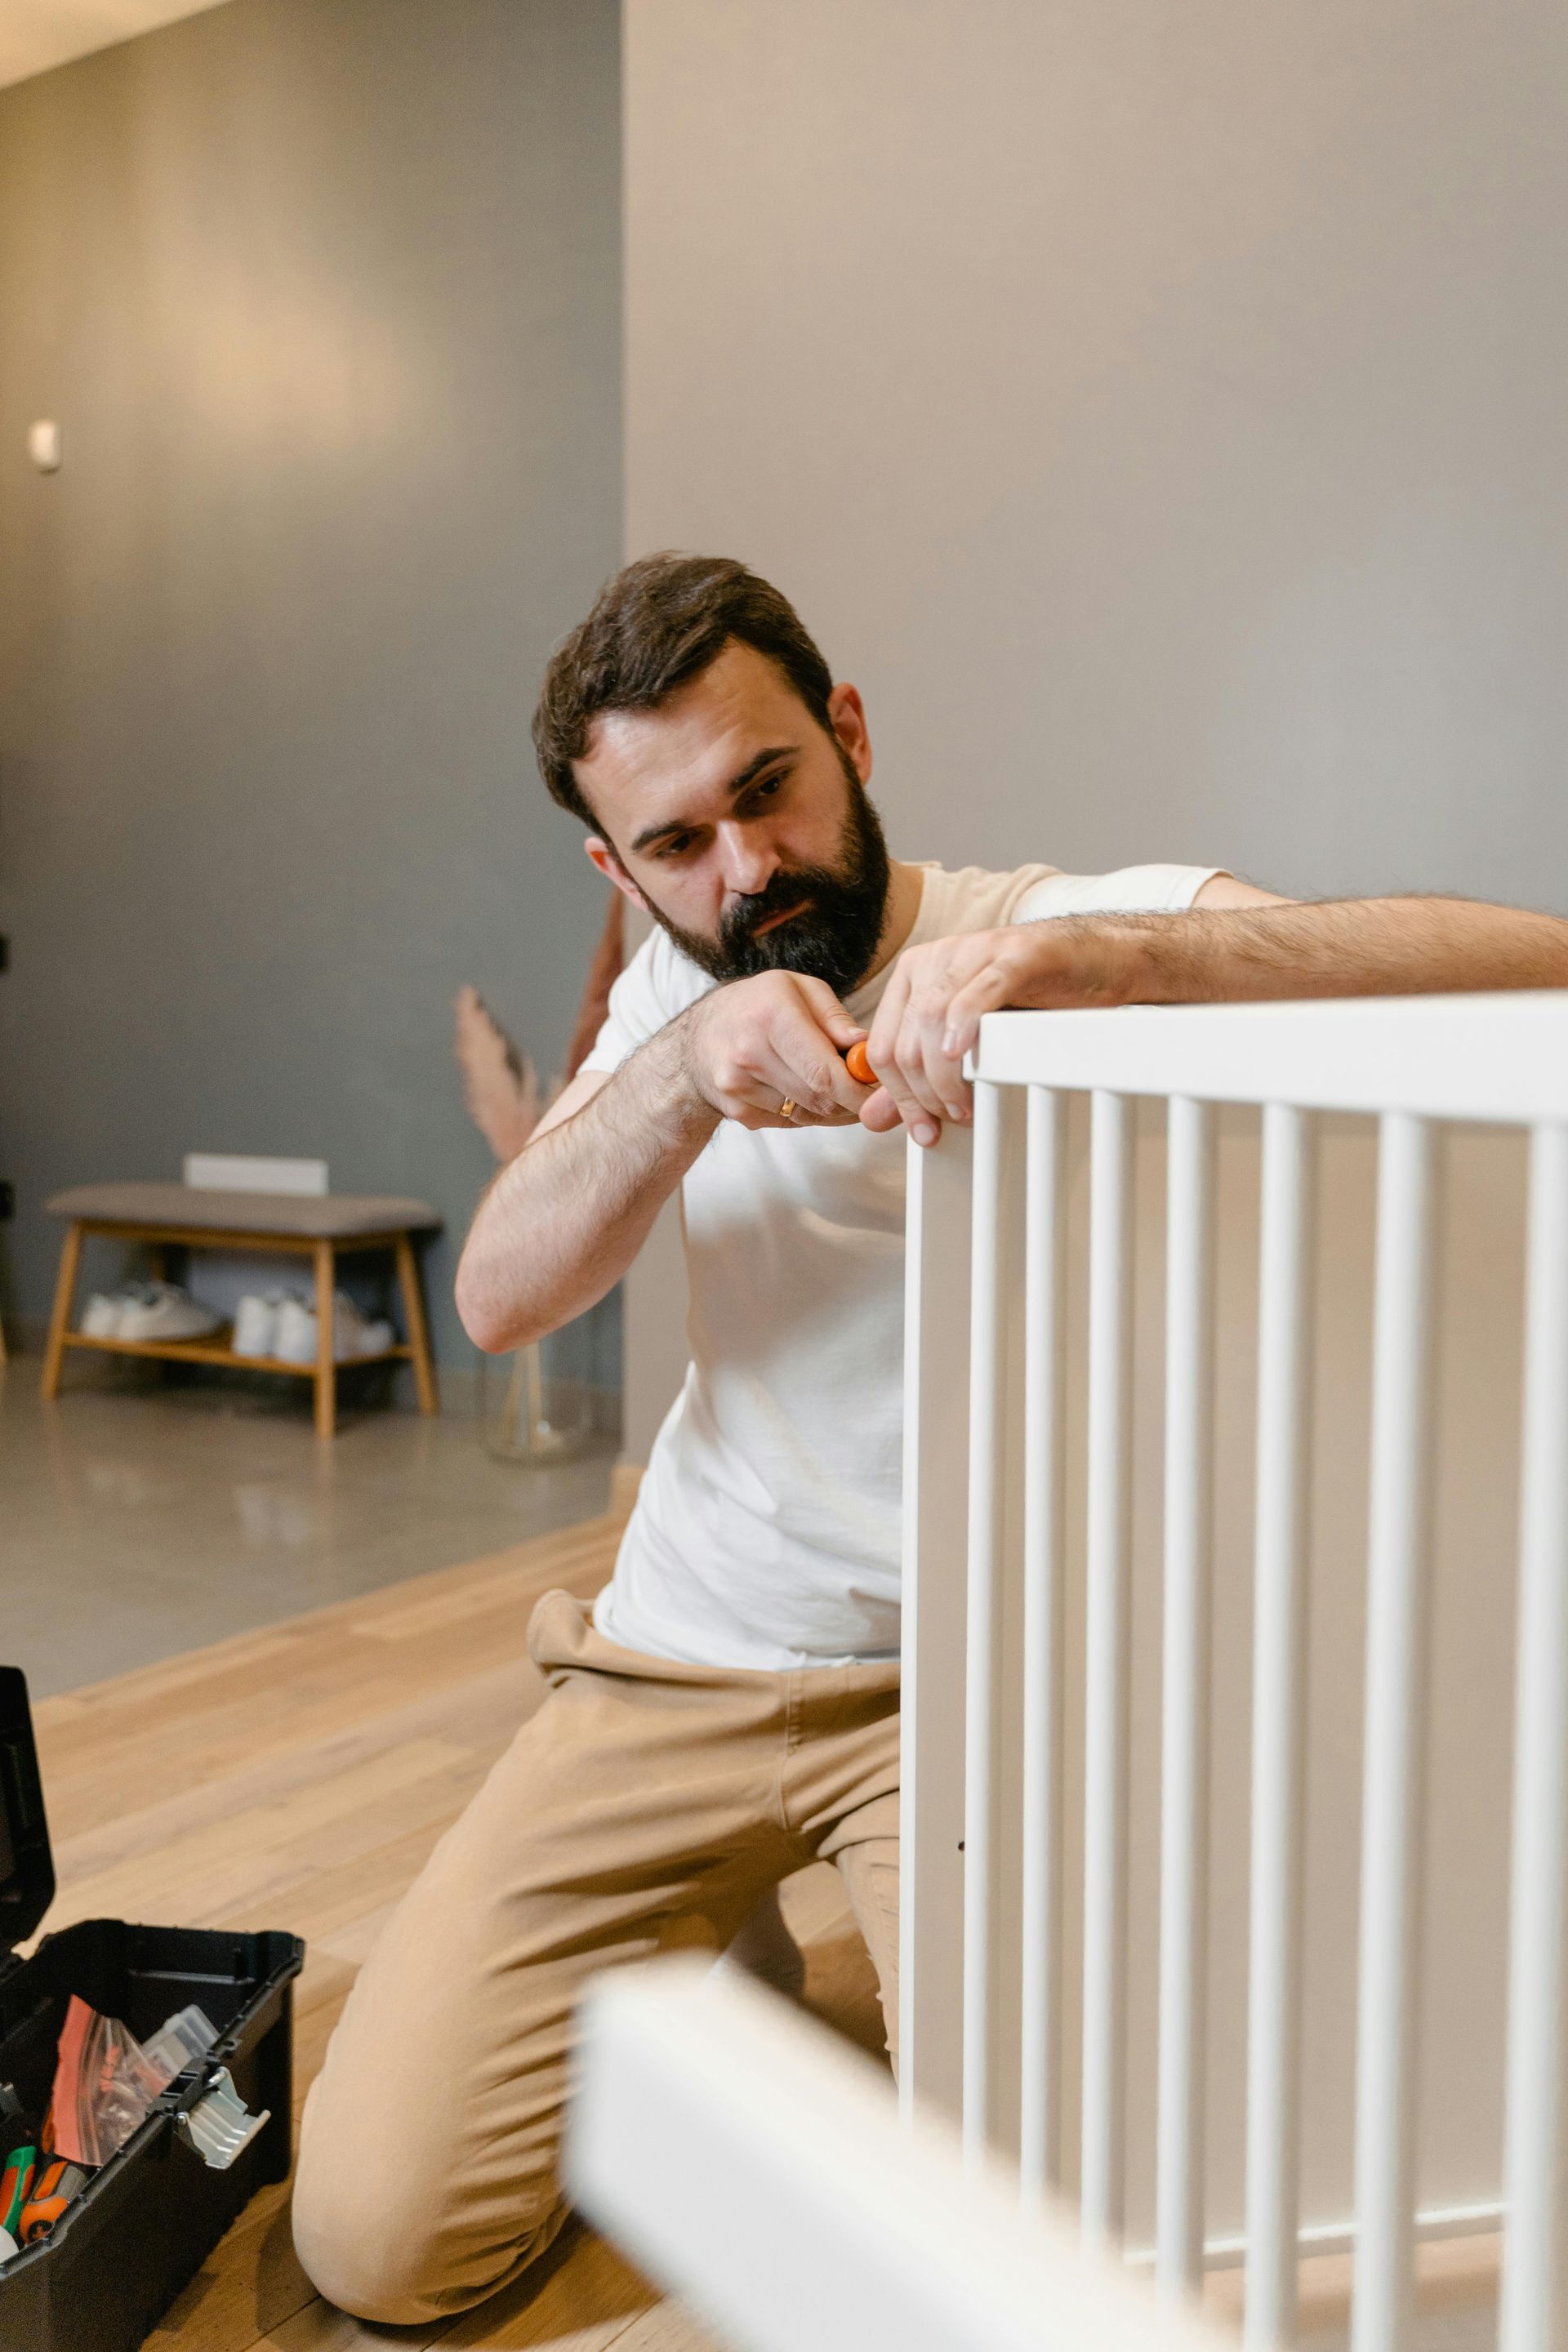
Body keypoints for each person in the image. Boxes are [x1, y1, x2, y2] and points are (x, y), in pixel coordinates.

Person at [292, 554, 1568, 2323]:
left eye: (769, 789)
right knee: (377, 2244)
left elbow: (1538, 967)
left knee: (1039, 2255)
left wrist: (1115, 964)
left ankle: (724, 1946)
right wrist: (677, 1078)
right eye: (677, 846)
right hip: (681, 1657)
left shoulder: (1052, 928)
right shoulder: (678, 1003)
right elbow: (499, 1302)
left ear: (848, 733)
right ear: (618, 867)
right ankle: (692, 1925)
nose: (747, 871)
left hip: (980, 1704)